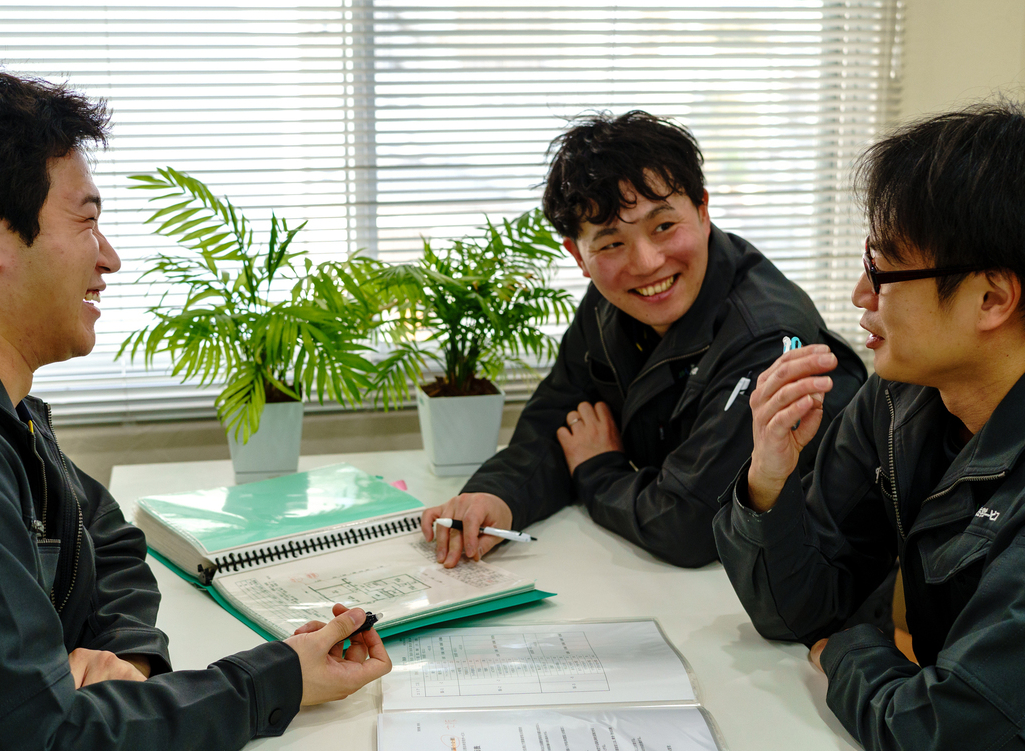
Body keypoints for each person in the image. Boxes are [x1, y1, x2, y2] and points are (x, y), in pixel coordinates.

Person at [0, 67, 390, 750]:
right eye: (87, 223)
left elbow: (106, 539)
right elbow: (48, 737)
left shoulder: (4, 406)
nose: (111, 259)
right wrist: (279, 679)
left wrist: (129, 660)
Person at [424, 110, 867, 568]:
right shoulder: (610, 304)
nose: (647, 263)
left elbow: (689, 521)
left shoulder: (765, 338)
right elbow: (560, 422)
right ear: (578, 255)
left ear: (703, 210)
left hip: (794, 587)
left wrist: (598, 471)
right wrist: (496, 495)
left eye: (663, 226)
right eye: (611, 243)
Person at [713, 102, 1025, 750]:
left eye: (882, 269)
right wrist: (768, 479)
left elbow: (946, 729)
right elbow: (800, 609)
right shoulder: (900, 395)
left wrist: (847, 651)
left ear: (991, 298)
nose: (860, 293)